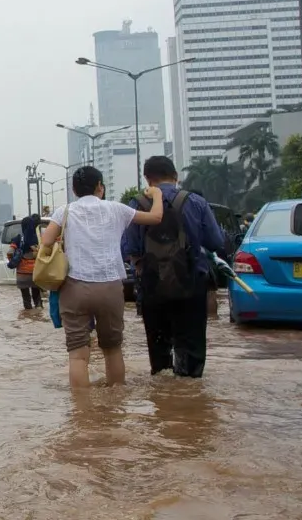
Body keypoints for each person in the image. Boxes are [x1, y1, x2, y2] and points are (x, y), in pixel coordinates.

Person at [43, 167, 164, 387]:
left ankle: (82, 413)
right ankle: (115, 408)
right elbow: (156, 217)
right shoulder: (117, 209)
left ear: (74, 189)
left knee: (78, 355)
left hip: (75, 286)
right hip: (110, 286)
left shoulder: (65, 212)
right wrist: (156, 194)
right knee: (112, 349)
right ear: (100, 186)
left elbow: (47, 241)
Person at [123, 156, 231, 379]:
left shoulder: (137, 205)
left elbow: (128, 248)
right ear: (176, 176)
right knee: (191, 346)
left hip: (152, 287)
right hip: (191, 285)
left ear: (147, 179)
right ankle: (188, 395)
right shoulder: (196, 202)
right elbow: (216, 243)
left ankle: (164, 401)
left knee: (159, 351)